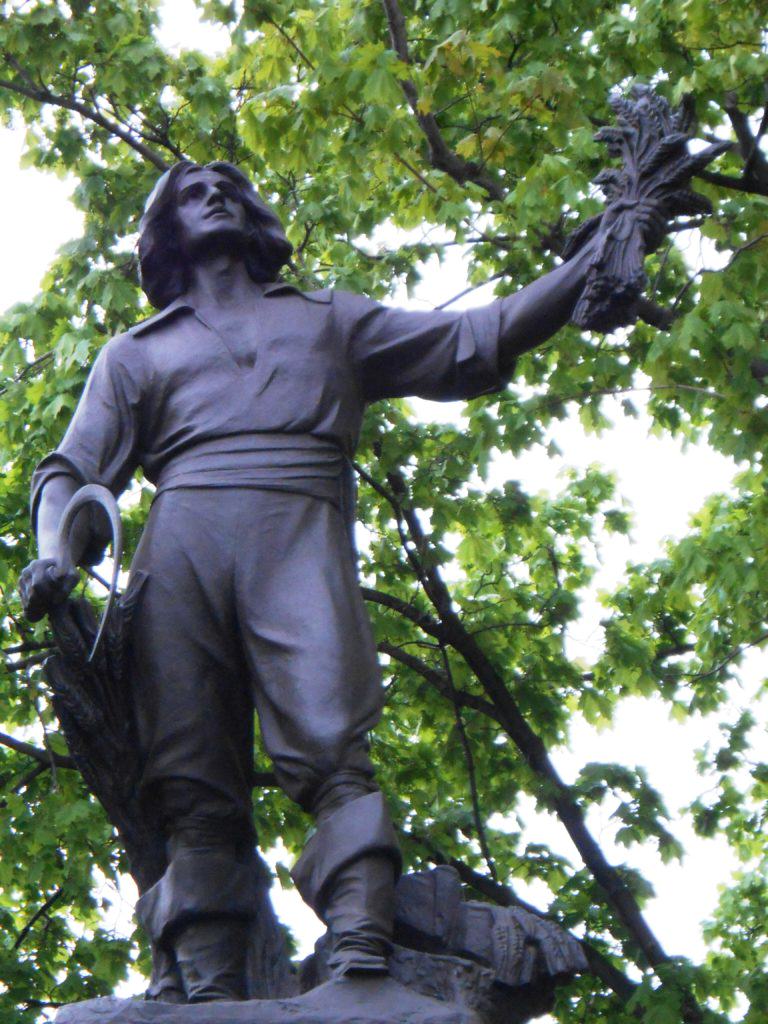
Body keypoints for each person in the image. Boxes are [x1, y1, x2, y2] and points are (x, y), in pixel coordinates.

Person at [18, 161, 634, 1004]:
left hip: (295, 532)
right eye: (191, 193)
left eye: (228, 187)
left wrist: (595, 254)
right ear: (163, 235)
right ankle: (205, 989)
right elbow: (71, 474)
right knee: (190, 778)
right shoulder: (136, 354)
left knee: (332, 743)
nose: (215, 195)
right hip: (181, 550)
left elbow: (472, 338)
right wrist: (55, 552)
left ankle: (359, 956)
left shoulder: (328, 321)